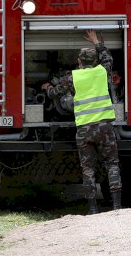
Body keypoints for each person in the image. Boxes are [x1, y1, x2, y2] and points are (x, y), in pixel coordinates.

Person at [41, 30, 121, 215]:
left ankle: (92, 208)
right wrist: (96, 42)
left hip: (84, 130)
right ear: (95, 62)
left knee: (88, 168)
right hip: (104, 127)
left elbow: (54, 94)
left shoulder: (72, 78)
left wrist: (47, 88)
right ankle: (117, 206)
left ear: (79, 61)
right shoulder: (102, 71)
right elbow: (107, 57)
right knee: (112, 164)